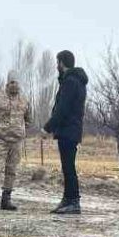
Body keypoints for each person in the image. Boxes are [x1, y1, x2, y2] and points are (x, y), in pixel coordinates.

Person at [42, 49, 88, 215]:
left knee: (68, 168)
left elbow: (62, 109)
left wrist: (47, 127)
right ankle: (67, 200)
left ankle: (73, 201)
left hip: (69, 130)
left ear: (62, 63)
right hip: (70, 130)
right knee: (67, 167)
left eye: (57, 62)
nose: (57, 66)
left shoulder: (70, 82)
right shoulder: (75, 81)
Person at [0, 70, 31, 211]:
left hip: (16, 141)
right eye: (12, 82)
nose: (14, 85)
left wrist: (20, 130)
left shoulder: (24, 100)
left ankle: (6, 199)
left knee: (12, 170)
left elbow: (28, 119)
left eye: (17, 82)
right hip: (0, 140)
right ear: (7, 83)